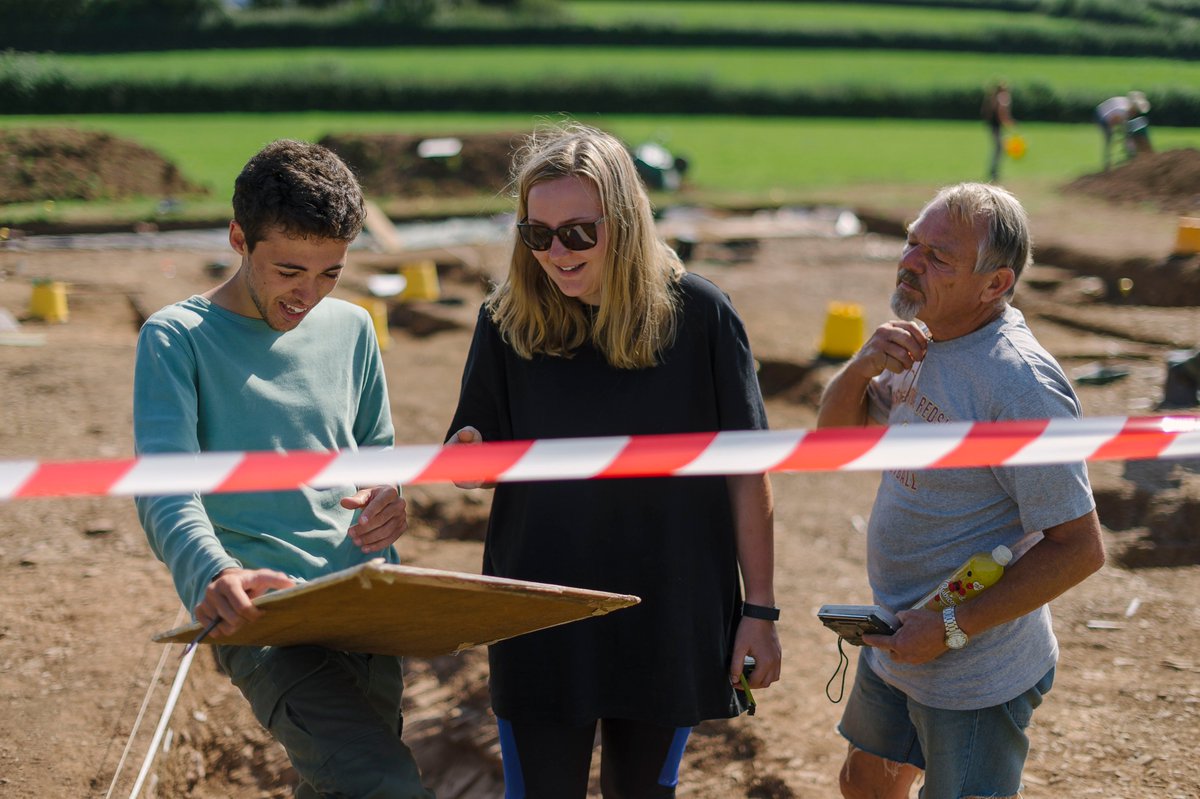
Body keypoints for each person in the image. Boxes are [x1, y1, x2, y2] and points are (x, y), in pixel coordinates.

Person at [445, 123, 782, 797]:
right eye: (536, 234)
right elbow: (471, 459)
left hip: (669, 610)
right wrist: (469, 458)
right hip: (540, 611)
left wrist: (761, 610)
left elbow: (748, 472)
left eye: (577, 231)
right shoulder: (506, 321)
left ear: (625, 222)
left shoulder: (702, 316)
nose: (555, 252)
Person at [133, 139, 434, 798]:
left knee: (341, 785)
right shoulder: (176, 338)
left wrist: (390, 494)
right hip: (267, 621)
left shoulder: (353, 328)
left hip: (367, 608)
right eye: (290, 270)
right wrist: (213, 572)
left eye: (330, 273)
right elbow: (164, 489)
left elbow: (376, 452)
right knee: (385, 784)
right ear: (239, 237)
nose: (308, 295)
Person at [817, 183, 1104, 799]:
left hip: (975, 670)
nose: (911, 262)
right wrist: (861, 365)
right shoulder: (919, 338)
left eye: (938, 257)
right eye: (912, 242)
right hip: (894, 635)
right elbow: (834, 440)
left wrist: (951, 627)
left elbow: (1079, 548)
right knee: (863, 784)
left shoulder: (1020, 387)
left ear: (995, 285)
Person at [1095, 91, 1150, 170]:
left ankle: (1130, 157)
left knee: (1127, 135)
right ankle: (1107, 164)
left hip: (1115, 115)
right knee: (1109, 138)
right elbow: (1111, 123)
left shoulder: (1127, 110)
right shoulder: (1121, 111)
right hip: (1102, 116)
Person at [981, 81, 1014, 183]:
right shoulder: (1002, 97)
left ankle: (993, 172)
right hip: (997, 127)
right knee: (999, 150)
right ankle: (994, 173)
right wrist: (1008, 123)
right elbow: (1002, 112)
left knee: (998, 149)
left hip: (993, 126)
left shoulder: (993, 97)